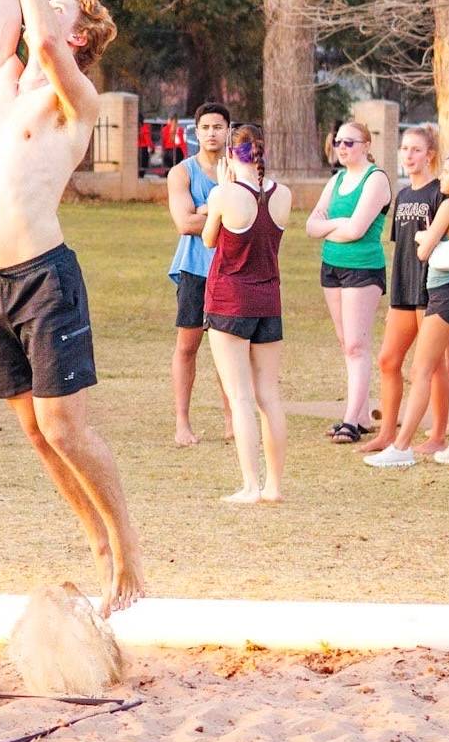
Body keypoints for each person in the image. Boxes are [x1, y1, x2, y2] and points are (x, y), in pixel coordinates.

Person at [0, 0, 144, 616]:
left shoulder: (76, 99)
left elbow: (39, 32)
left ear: (80, 38)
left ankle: (126, 549)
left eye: (62, 7)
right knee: (36, 434)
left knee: (66, 425)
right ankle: (93, 542)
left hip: (42, 280)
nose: (46, 7)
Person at [366, 152, 449, 469]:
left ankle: (401, 446)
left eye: (448, 171)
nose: (443, 176)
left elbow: (423, 251)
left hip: (446, 295)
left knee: (420, 372)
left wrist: (425, 236)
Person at [201, 123, 291, 504]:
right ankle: (273, 486)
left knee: (240, 397)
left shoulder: (225, 194)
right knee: (269, 396)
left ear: (230, 156)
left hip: (230, 300)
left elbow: (208, 238)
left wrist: (221, 186)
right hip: (268, 300)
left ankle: (250, 485)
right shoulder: (282, 193)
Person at [362, 125, 449, 454]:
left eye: (416, 150)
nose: (409, 155)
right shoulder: (402, 195)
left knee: (432, 365)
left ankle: (439, 435)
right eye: (404, 149)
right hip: (403, 289)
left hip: (431, 289)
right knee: (388, 360)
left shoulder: (439, 193)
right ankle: (387, 432)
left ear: (429, 155)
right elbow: (400, 249)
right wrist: (391, 301)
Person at [305, 119, 391, 444]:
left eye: (350, 143)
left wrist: (333, 225)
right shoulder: (337, 179)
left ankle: (351, 420)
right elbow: (311, 226)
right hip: (332, 268)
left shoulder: (376, 179)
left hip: (362, 269)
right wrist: (340, 223)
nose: (342, 147)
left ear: (367, 145)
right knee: (347, 344)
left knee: (357, 345)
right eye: (338, 142)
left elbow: (357, 231)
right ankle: (364, 413)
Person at [167, 101, 231, 446]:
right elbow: (184, 223)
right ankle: (182, 424)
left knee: (229, 350)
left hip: (231, 271)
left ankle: (231, 421)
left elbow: (249, 217)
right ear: (196, 131)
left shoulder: (238, 169)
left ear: (228, 131)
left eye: (218, 127)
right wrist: (221, 213)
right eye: (205, 127)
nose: (211, 133)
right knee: (187, 347)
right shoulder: (182, 172)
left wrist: (207, 210)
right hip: (194, 269)